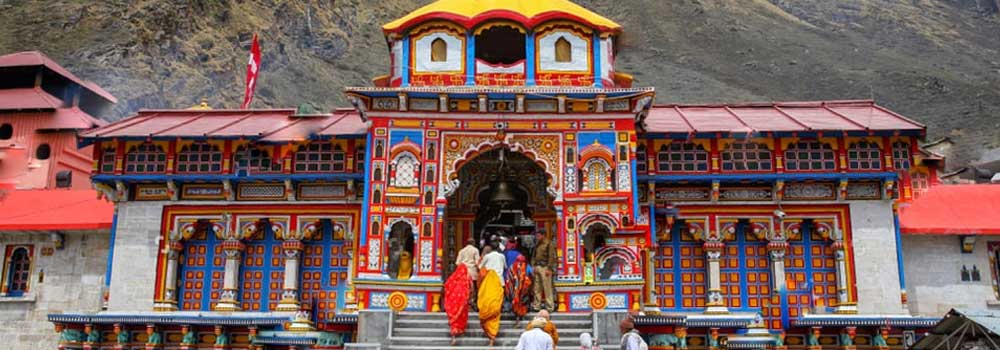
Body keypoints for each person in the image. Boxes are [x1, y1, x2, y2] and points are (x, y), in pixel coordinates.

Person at [477, 243, 505, 346]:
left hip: (488, 284)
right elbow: (505, 267)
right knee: (496, 308)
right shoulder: (502, 256)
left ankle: (491, 335)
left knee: (486, 304)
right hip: (499, 283)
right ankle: (492, 334)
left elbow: (480, 267)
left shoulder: (487, 256)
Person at [444, 264, 472, 345]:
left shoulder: (454, 277)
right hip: (463, 302)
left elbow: (446, 285)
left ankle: (454, 337)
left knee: (454, 320)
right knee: (461, 317)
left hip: (453, 301)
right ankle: (461, 331)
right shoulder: (467, 277)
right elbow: (471, 287)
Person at [531, 230, 557, 311]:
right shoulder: (537, 244)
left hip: (545, 267)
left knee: (547, 288)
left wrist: (549, 268)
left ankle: (550, 306)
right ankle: (537, 305)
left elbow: (551, 257)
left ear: (543, 235)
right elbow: (534, 256)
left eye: (539, 235)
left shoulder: (549, 244)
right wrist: (533, 266)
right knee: (537, 288)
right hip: (537, 266)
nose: (537, 237)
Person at [505, 253, 533, 326]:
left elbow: (508, 277)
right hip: (523, 290)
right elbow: (531, 274)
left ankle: (516, 317)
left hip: (514, 290)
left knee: (515, 302)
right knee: (522, 302)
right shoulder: (527, 266)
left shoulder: (512, 266)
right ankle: (520, 317)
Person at [456, 238, 480, 307]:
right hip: (472, 272)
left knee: (464, 288)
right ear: (473, 243)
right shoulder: (475, 250)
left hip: (463, 272)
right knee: (473, 288)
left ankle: (464, 302)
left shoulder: (462, 251)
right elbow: (477, 262)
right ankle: (472, 301)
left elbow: (457, 263)